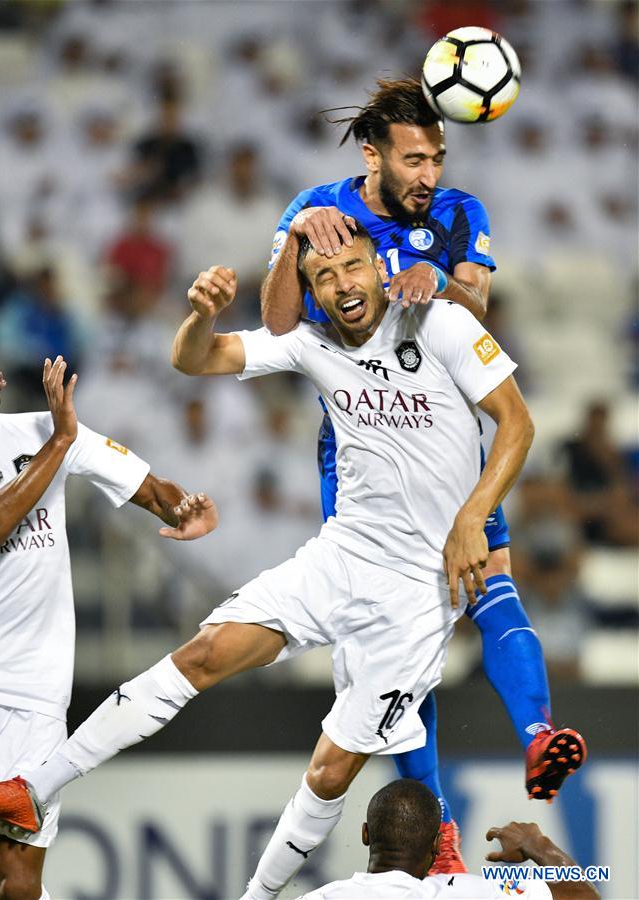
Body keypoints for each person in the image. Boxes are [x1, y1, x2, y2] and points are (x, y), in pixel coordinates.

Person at [0, 224, 535, 899]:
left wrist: (472, 517)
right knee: (203, 653)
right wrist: (202, 315)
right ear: (312, 292)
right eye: (324, 276)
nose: (342, 284)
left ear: (380, 268)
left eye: (352, 267)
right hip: (343, 557)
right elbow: (192, 360)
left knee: (329, 772)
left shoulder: (438, 325)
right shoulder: (310, 341)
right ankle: (33, 790)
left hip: (417, 594)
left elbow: (517, 423)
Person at [260, 78, 586, 868]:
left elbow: (478, 306)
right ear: (372, 155)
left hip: (447, 441)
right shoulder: (319, 210)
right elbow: (275, 323)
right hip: (362, 453)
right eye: (414, 160)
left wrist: (443, 282)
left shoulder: (460, 214)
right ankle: (439, 833)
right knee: (403, 643)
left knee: (491, 579)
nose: (429, 175)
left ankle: (539, 736)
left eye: (437, 158)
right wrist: (294, 241)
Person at [0, 319, 218, 900]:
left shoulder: (43, 428)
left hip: (36, 693)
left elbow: (152, 488)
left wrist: (183, 509)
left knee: (18, 886)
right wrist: (59, 442)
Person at [297, 779, 599, 899]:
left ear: (366, 834)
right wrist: (537, 844)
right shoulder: (470, 893)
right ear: (437, 845)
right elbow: (583, 896)